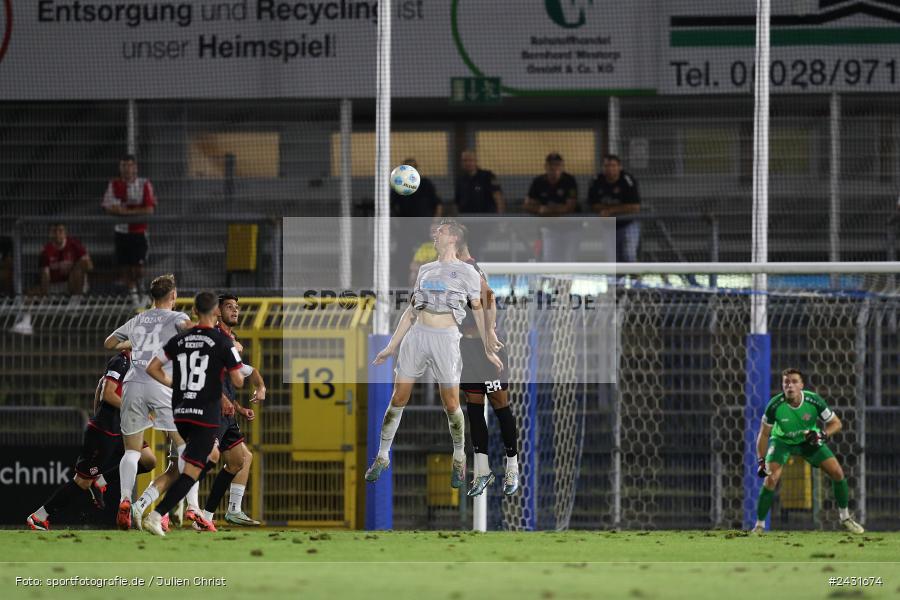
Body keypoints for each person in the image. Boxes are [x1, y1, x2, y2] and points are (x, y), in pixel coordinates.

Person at [365, 220, 502, 489]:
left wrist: (488, 342)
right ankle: (382, 456)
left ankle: (459, 457)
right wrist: (392, 346)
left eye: (439, 232)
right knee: (398, 397)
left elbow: (479, 308)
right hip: (417, 337)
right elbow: (411, 311)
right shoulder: (426, 269)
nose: (434, 235)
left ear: (452, 238)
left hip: (446, 339)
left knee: (451, 404)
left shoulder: (467, 272)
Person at [141, 291, 247, 536]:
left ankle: (171, 510)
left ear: (196, 311)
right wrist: (234, 362)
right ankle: (158, 515)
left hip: (180, 412)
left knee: (210, 457)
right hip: (205, 413)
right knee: (192, 470)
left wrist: (173, 383)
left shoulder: (181, 339)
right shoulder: (222, 342)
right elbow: (239, 381)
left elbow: (152, 368)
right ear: (215, 312)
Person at [26, 352, 157, 530]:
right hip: (105, 430)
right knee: (82, 481)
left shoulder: (139, 364)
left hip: (123, 429)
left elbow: (99, 386)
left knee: (148, 460)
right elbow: (107, 393)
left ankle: (101, 480)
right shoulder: (122, 360)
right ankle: (39, 516)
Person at [103, 273, 191, 530]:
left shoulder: (138, 318)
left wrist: (136, 341)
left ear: (153, 296)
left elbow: (109, 343)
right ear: (173, 296)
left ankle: (125, 499)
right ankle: (184, 506)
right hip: (161, 383)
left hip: (132, 385)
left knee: (131, 450)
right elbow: (188, 330)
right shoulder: (178, 317)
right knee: (184, 445)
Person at [752, 368, 865, 534]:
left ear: (802, 385)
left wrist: (822, 434)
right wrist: (761, 461)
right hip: (782, 441)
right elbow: (763, 435)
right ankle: (759, 526)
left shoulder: (814, 401)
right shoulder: (774, 405)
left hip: (808, 441)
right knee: (770, 479)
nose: (790, 385)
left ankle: (845, 518)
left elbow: (836, 423)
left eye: (794, 381)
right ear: (782, 386)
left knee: (837, 472)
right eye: (786, 382)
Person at [457, 240, 519, 497]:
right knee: (473, 407)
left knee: (499, 402)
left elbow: (489, 298)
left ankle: (512, 466)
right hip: (467, 349)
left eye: (441, 236)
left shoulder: (471, 268)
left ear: (457, 243)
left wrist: (489, 341)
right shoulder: (450, 271)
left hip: (485, 350)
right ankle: (482, 471)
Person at [101, 154, 156, 298]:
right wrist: (134, 211)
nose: (126, 169)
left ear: (135, 167)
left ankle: (143, 293)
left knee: (138, 269)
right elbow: (108, 207)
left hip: (139, 231)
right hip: (121, 231)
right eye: (123, 166)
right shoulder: (114, 184)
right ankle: (133, 298)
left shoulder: (144, 184)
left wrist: (124, 212)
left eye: (129, 165)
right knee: (124, 268)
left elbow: (149, 209)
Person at [391, 158, 442, 285]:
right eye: (407, 168)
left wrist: (435, 222)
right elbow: (392, 207)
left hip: (424, 228)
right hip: (405, 230)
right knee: (403, 257)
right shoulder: (398, 185)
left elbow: (438, 204)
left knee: (428, 257)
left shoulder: (426, 184)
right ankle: (402, 285)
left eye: (413, 168)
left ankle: (428, 285)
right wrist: (397, 225)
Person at [523, 153, 580, 262]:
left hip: (571, 229)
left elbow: (569, 207)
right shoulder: (538, 181)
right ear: (546, 166)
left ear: (562, 166)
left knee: (569, 261)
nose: (554, 168)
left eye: (557, 165)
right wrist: (541, 209)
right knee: (550, 260)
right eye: (551, 165)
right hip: (549, 229)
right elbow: (527, 205)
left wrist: (545, 210)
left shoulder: (569, 181)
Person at [587, 154, 641, 263]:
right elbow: (593, 204)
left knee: (629, 255)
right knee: (611, 258)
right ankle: (615, 280)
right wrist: (619, 208)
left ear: (619, 167)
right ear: (603, 168)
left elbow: (635, 207)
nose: (610, 169)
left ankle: (635, 279)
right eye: (607, 166)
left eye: (613, 165)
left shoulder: (627, 180)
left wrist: (610, 210)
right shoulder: (596, 181)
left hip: (628, 224)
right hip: (608, 226)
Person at [39, 223, 92, 296]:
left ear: (65, 233)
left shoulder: (74, 245)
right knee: (32, 292)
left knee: (79, 267)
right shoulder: (46, 250)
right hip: (56, 284)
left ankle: (77, 298)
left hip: (74, 282)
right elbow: (45, 275)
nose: (57, 234)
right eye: (54, 231)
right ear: (50, 234)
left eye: (60, 231)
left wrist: (79, 265)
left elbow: (89, 266)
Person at [453, 150, 505, 215]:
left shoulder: (487, 176)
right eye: (465, 160)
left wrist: (500, 217)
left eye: (471, 160)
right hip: (466, 218)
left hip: (487, 217)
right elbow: (457, 201)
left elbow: (498, 197)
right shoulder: (460, 179)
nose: (468, 163)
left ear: (476, 161)